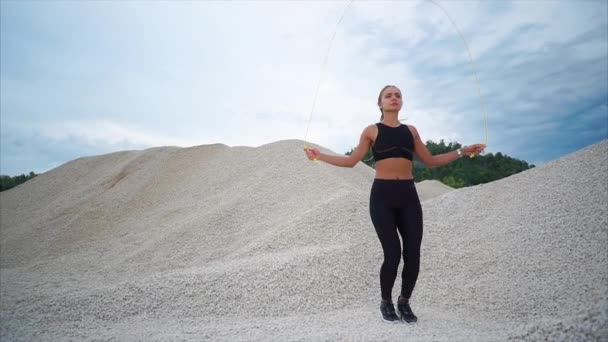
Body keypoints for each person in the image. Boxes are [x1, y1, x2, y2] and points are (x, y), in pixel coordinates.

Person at [303, 85, 486, 324]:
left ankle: (404, 302)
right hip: (382, 197)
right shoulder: (371, 131)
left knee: (413, 255)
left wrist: (462, 151)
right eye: (388, 95)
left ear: (402, 102)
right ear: (380, 104)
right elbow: (350, 161)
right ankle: (386, 301)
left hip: (409, 196)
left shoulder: (411, 131)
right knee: (392, 253)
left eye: (398, 95)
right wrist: (319, 156)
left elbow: (430, 161)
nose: (394, 98)